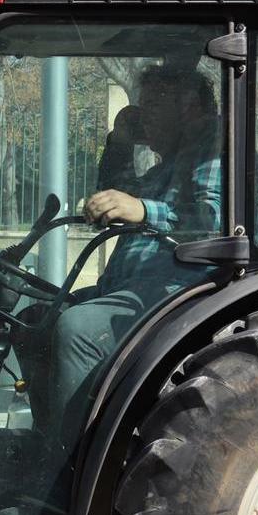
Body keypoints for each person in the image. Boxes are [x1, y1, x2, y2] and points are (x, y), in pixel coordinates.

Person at [36, 66, 223, 453]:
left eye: (155, 102)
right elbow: (117, 196)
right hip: (135, 293)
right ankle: (51, 442)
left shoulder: (214, 150)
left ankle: (74, 465)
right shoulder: (165, 169)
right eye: (143, 103)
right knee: (34, 317)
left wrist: (143, 210)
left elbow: (216, 221)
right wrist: (120, 143)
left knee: (78, 330)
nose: (143, 113)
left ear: (188, 105)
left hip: (181, 296)